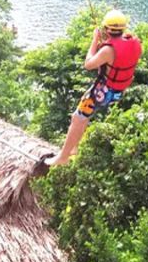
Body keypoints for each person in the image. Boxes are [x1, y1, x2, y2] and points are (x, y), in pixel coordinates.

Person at [45, 10, 142, 166]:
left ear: (106, 29)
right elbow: (122, 54)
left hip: (102, 92)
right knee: (84, 116)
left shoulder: (107, 50)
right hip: (118, 92)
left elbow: (88, 64)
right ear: (124, 28)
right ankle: (75, 149)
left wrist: (95, 40)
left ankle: (62, 158)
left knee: (77, 118)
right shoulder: (136, 43)